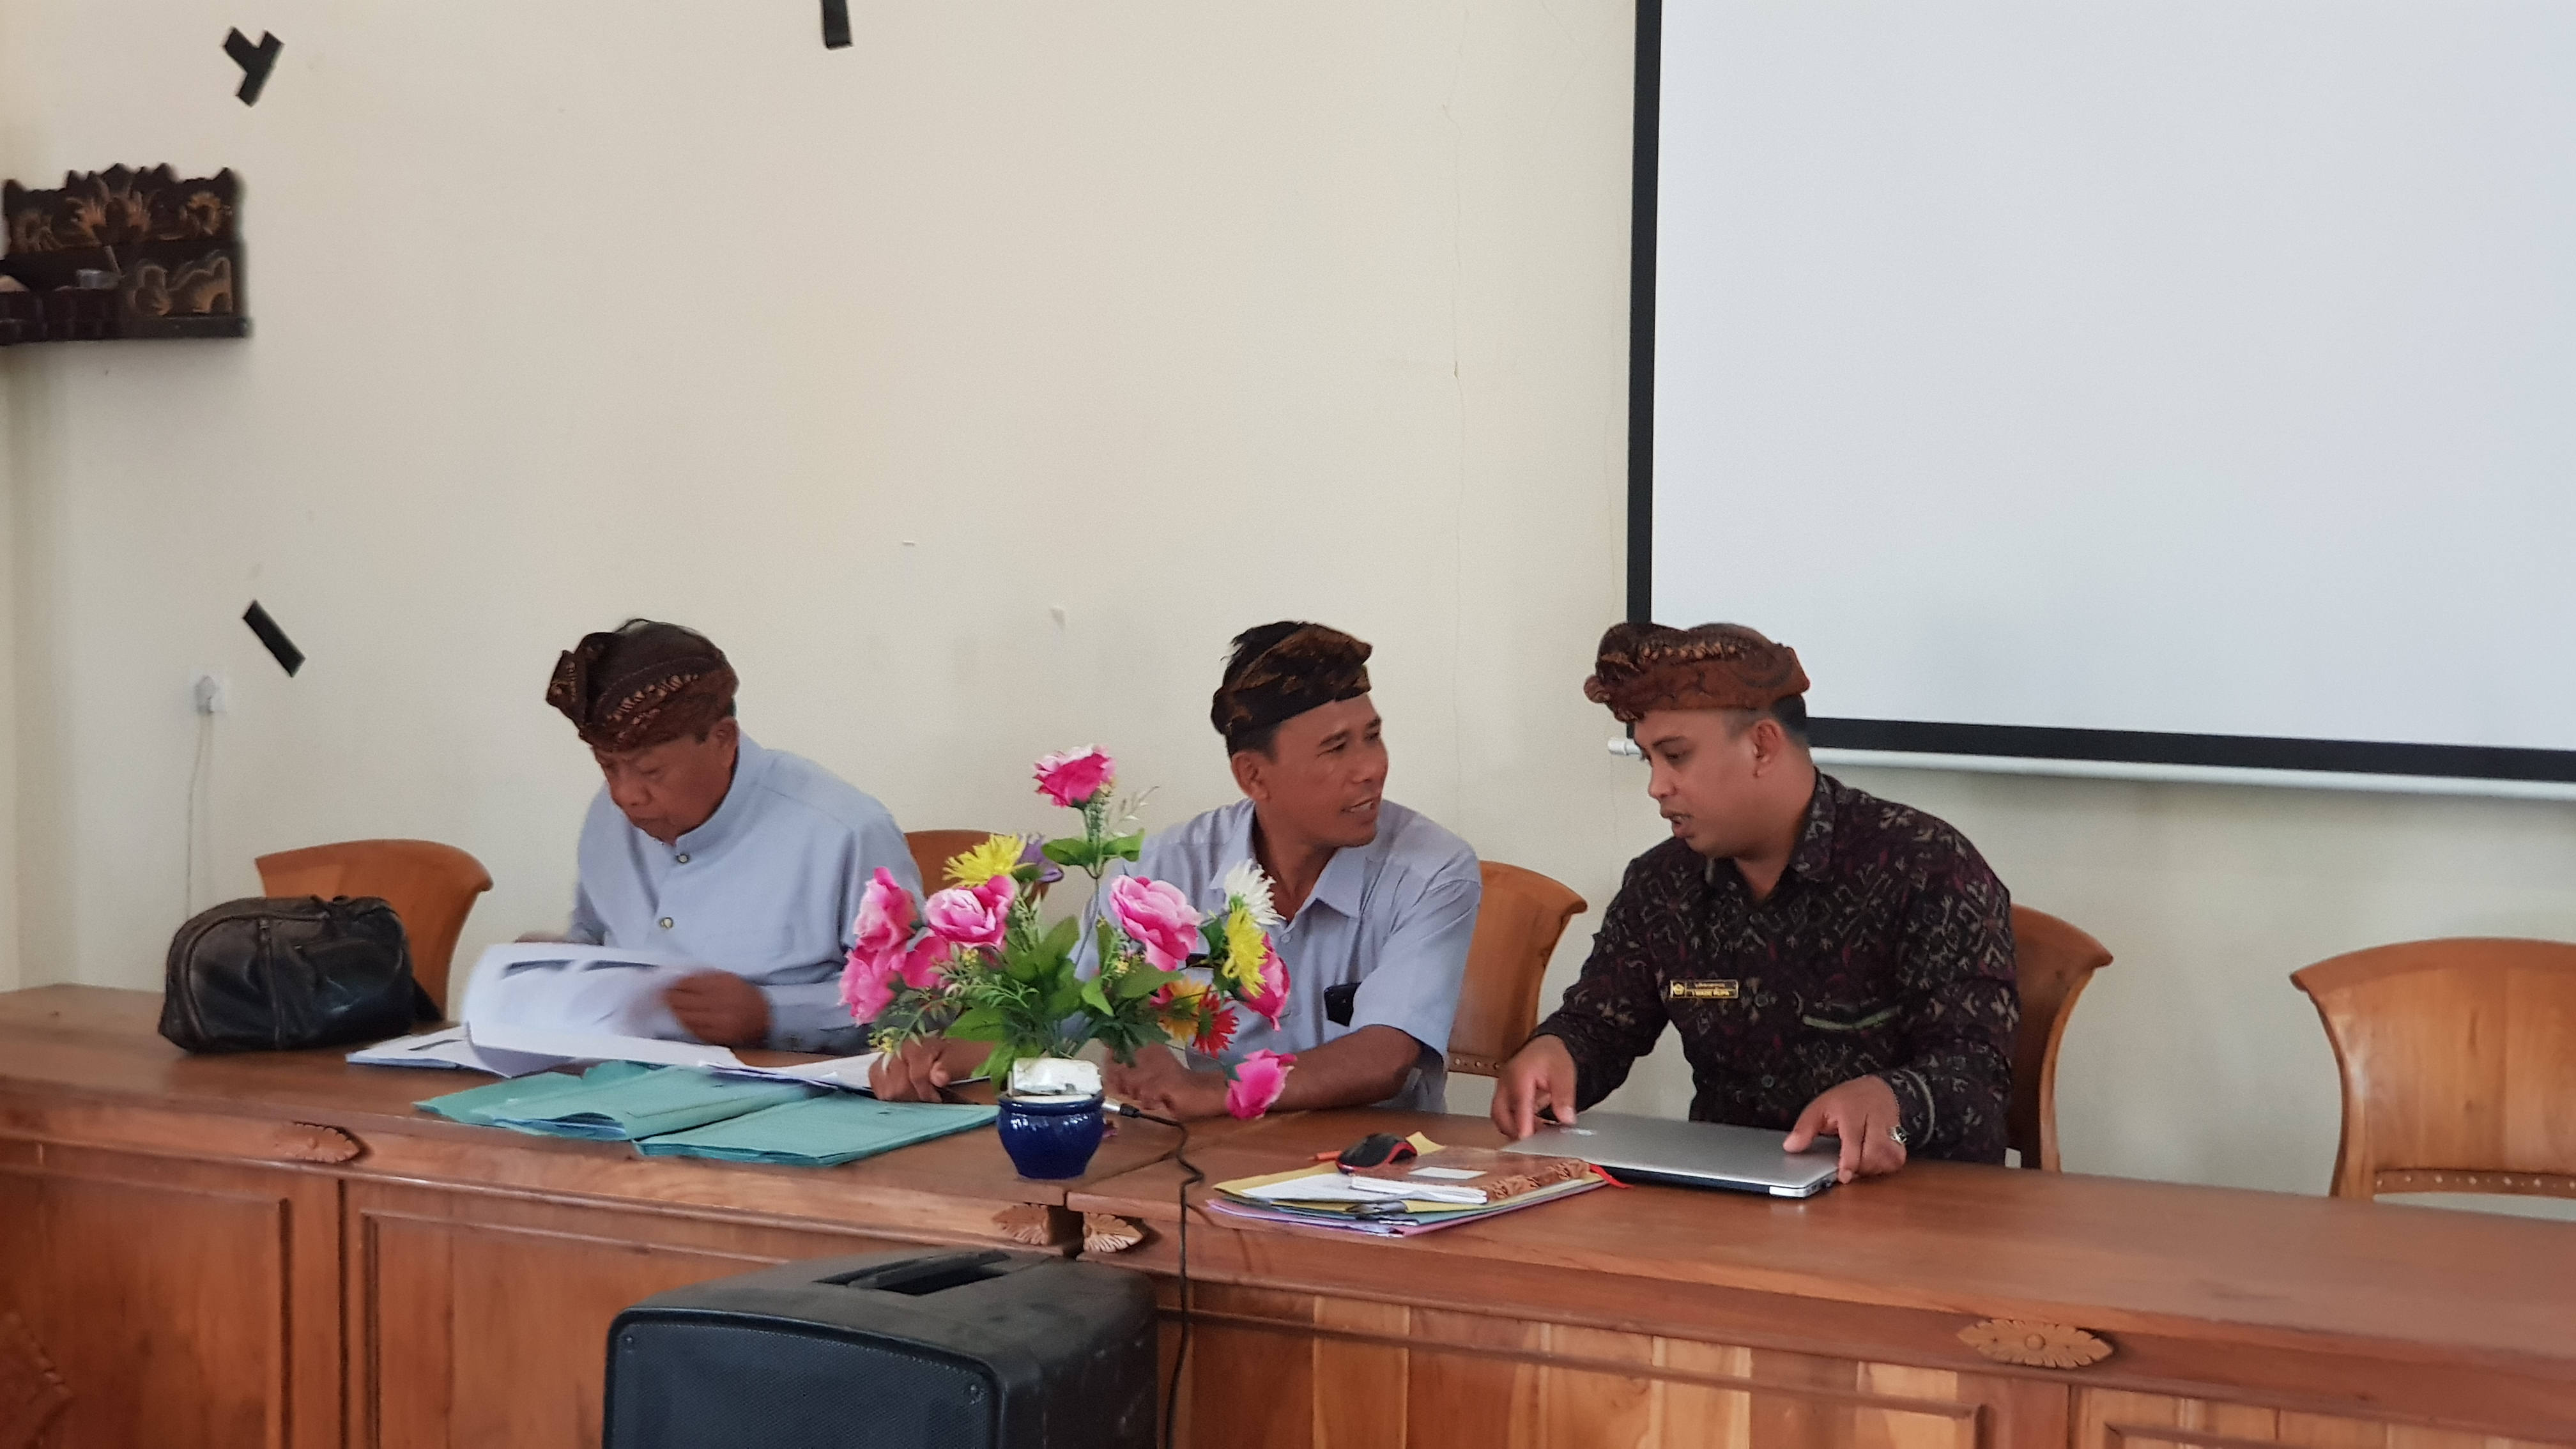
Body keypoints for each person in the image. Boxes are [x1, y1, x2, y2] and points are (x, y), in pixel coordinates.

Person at [875, 622, 1482, 1117]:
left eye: (1372, 737)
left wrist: (1211, 1092)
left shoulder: (1432, 870)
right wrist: (938, 1058)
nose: (1371, 768)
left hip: (1380, 1176)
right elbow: (1062, 1006)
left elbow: (1384, 1058)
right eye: (1337, 748)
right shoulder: (1164, 870)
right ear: (1254, 776)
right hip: (1207, 1163)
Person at [1491, 622, 2018, 1181]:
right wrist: (1556, 1053)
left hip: (1905, 1201)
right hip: (1721, 1201)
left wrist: (1894, 1103)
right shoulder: (1662, 884)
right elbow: (1601, 1024)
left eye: (1676, 756)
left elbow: (1977, 1079)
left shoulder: (1925, 866)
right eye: (1649, 760)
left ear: (1763, 745)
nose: (1657, 787)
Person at [544, 618, 918, 1052]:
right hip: (614, 1068)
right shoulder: (608, 816)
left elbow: (919, 997)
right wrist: (552, 969)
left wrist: (773, 1014)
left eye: (650, 770)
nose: (625, 795)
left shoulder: (843, 831)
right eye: (608, 766)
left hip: (779, 1079)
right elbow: (593, 934)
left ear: (723, 740)